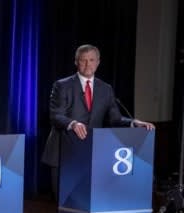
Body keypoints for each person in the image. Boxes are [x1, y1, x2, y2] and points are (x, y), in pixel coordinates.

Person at [41, 44, 154, 198]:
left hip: (93, 152)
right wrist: (73, 124)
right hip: (65, 151)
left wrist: (133, 122)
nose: (88, 64)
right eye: (83, 60)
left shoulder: (105, 88)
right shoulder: (62, 85)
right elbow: (56, 115)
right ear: (76, 62)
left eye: (92, 60)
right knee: (64, 201)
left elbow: (115, 118)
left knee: (88, 201)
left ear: (98, 62)